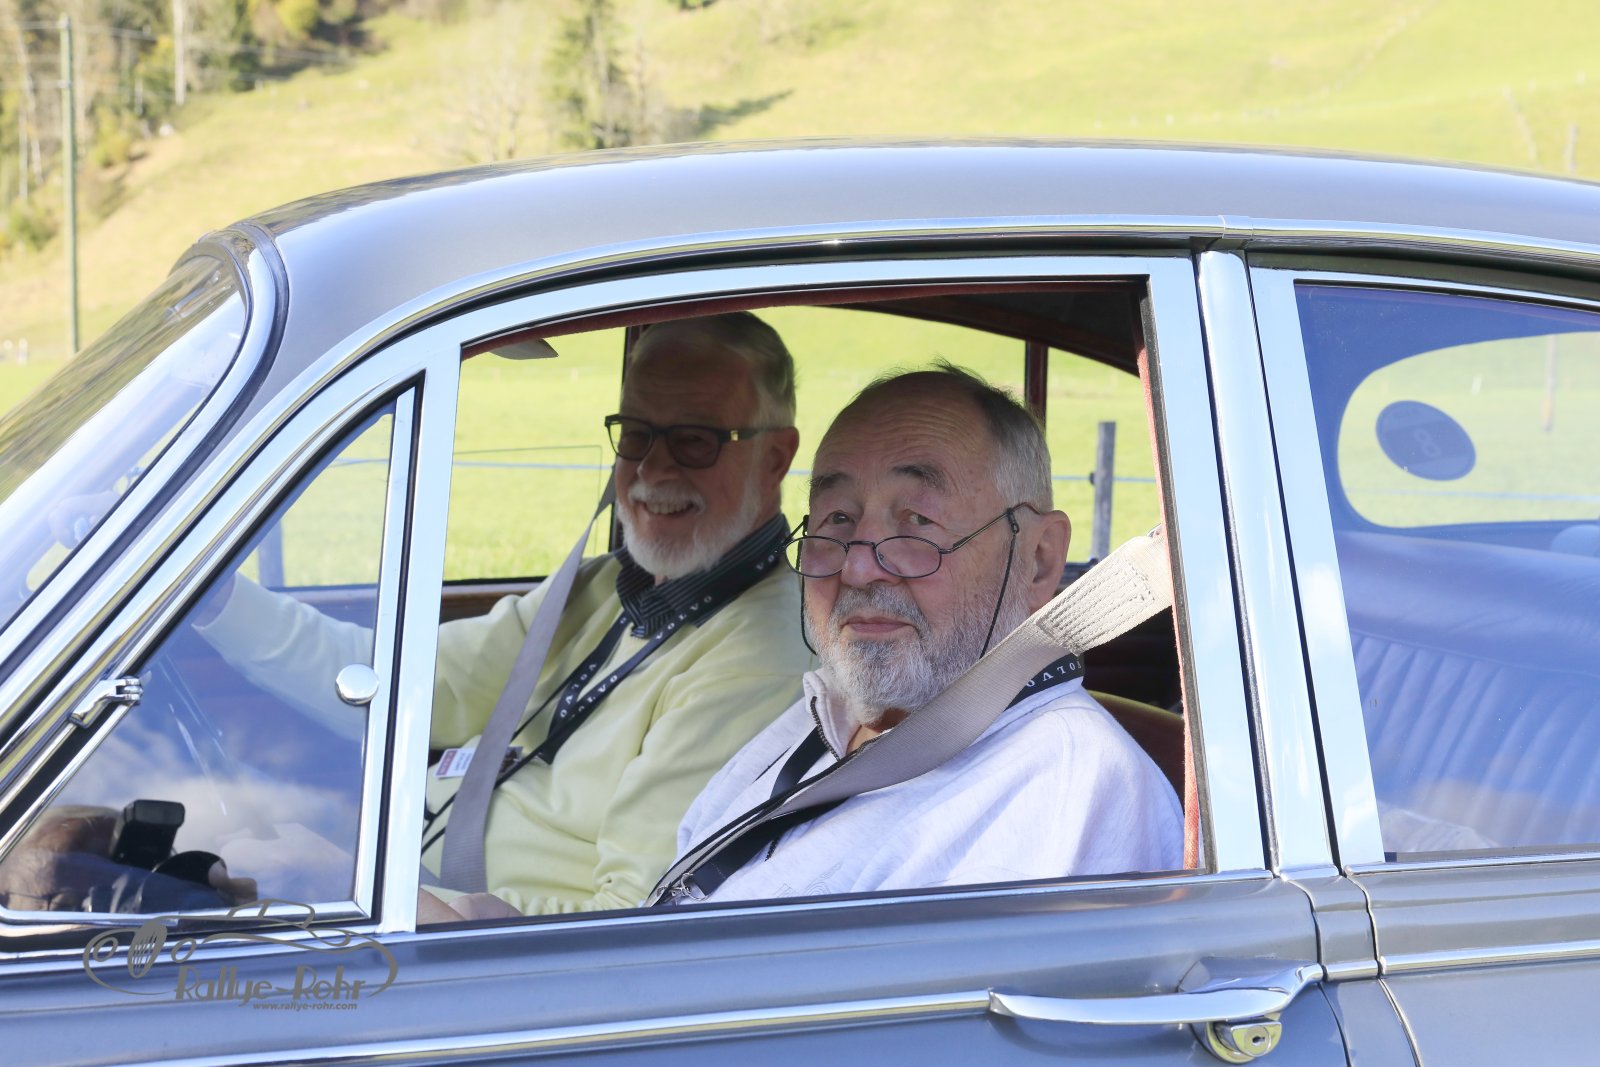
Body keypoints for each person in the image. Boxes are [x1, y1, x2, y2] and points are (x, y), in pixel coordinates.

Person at [197, 313, 810, 918]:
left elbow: (627, 922)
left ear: (776, 458)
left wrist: (351, 885)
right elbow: (403, 686)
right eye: (636, 435)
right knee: (200, 818)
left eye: (695, 441)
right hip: (409, 867)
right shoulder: (601, 588)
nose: (653, 469)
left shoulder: (759, 656)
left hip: (463, 945)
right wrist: (218, 598)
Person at [665, 365, 1181, 903]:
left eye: (917, 520)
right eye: (837, 519)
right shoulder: (822, 714)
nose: (857, 569)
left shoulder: (1066, 790)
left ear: (1039, 559)